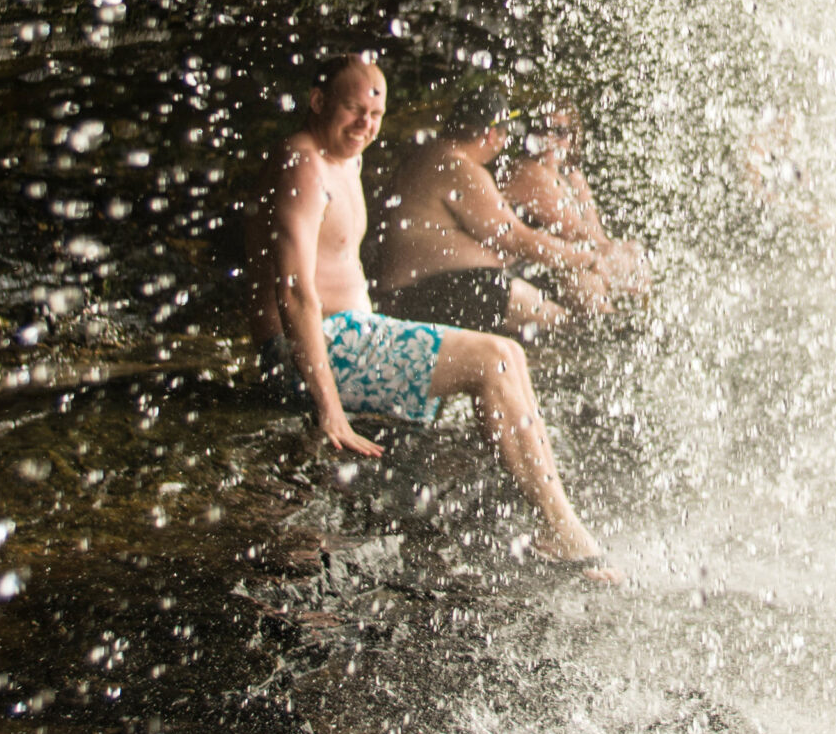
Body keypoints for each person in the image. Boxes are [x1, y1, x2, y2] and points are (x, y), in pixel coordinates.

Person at [243, 55, 612, 580]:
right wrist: (329, 409)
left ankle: (550, 521)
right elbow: (295, 290)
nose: (365, 125)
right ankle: (563, 533)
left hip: (353, 334)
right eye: (353, 109)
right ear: (318, 100)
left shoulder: (343, 160)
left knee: (508, 353)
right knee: (496, 360)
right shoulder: (301, 163)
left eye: (375, 115)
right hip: (312, 348)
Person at [369, 86, 609, 337]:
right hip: (426, 296)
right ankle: (596, 331)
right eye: (505, 136)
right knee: (570, 326)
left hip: (420, 293)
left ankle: (598, 328)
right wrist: (585, 258)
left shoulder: (429, 157)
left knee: (537, 298)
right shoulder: (458, 167)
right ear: (493, 134)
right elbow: (517, 238)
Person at [501, 100, 651, 306]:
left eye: (559, 131)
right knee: (585, 280)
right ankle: (610, 327)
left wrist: (622, 257)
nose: (549, 138)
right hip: (528, 265)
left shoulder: (571, 175)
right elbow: (575, 231)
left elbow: (595, 232)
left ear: (572, 137)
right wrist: (608, 263)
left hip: (567, 260)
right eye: (542, 128)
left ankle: (639, 319)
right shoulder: (528, 171)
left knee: (635, 251)